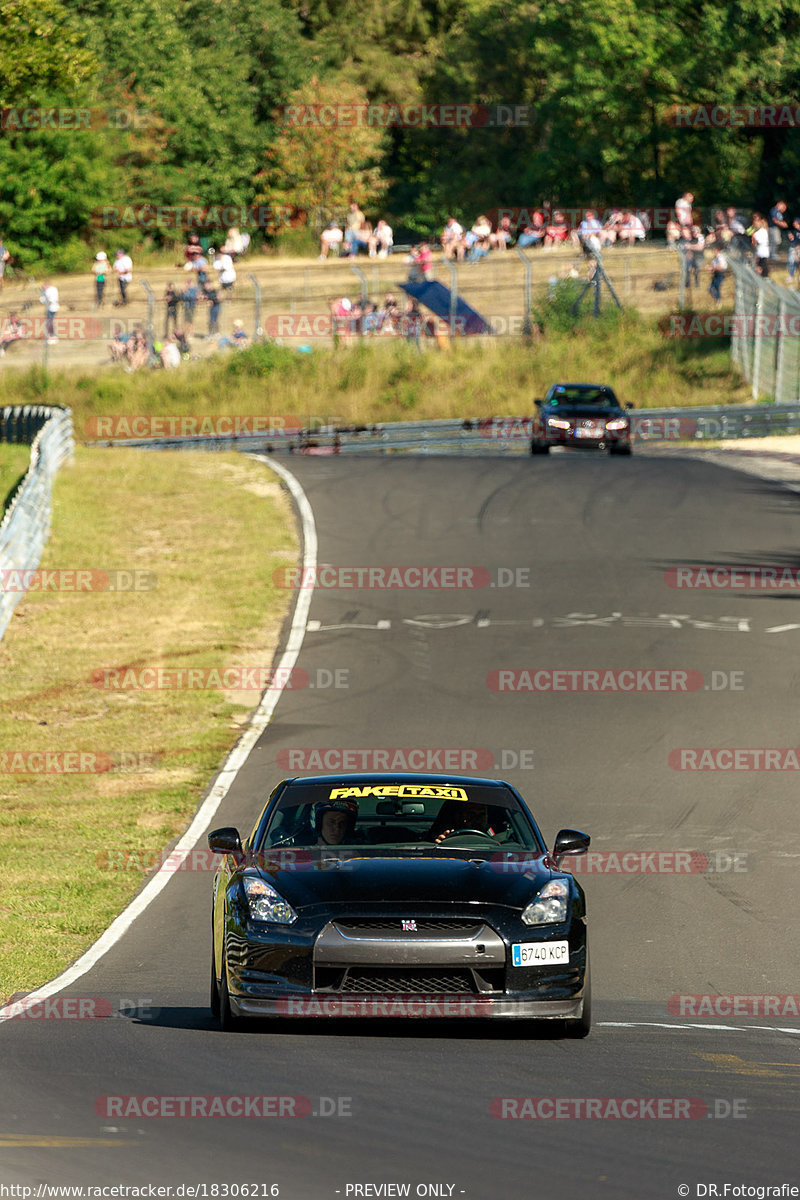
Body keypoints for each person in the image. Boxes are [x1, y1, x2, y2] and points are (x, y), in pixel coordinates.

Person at [428, 799, 498, 844]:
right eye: (471, 814)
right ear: (459, 815)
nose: (477, 819)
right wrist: (440, 844)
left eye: (481, 814)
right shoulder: (446, 835)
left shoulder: (496, 835)